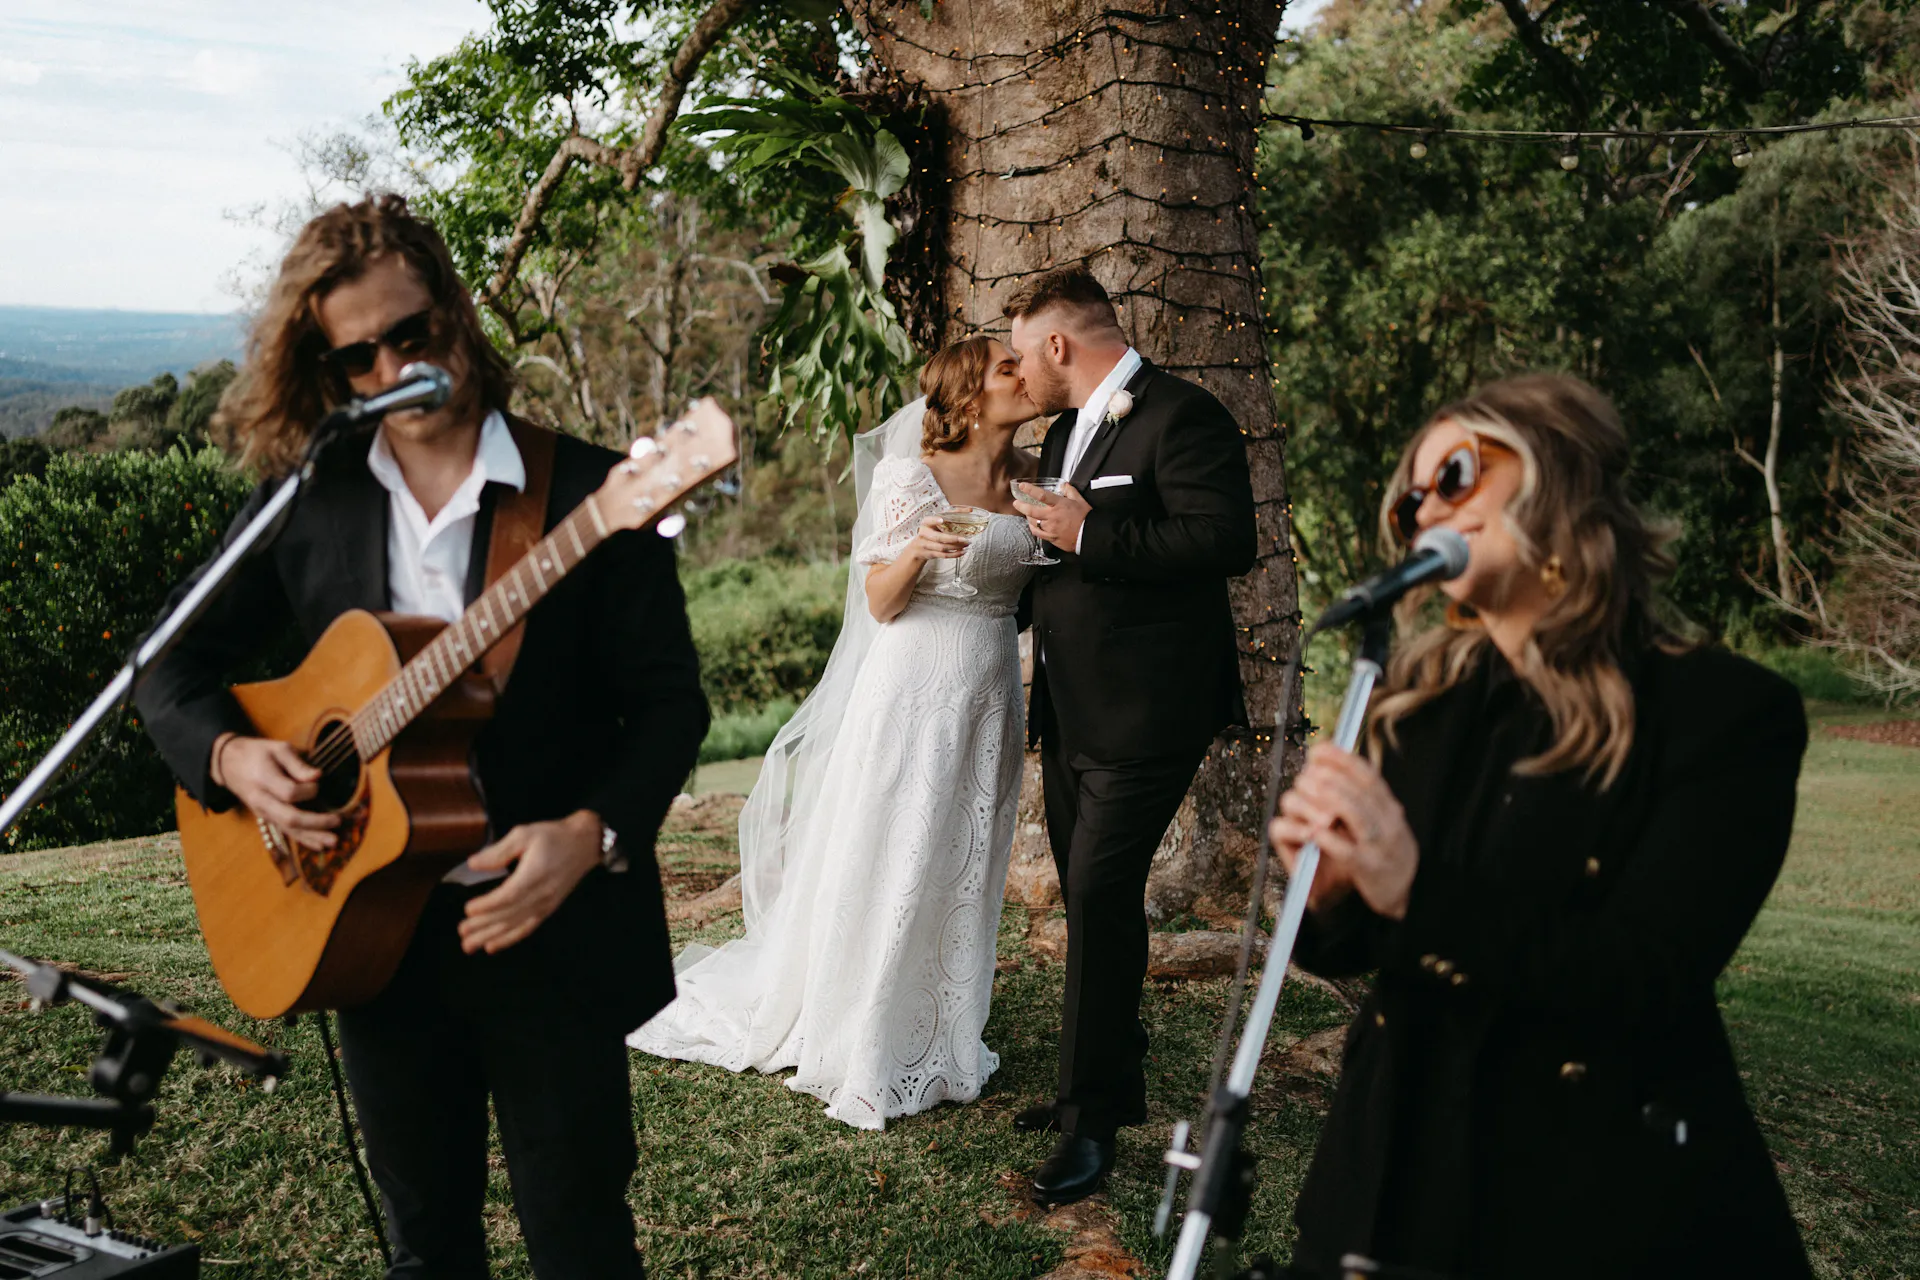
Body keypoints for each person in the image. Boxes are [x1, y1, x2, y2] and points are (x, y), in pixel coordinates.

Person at [135, 195, 707, 1278]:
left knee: (580, 1237)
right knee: (423, 1244)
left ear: (455, 312)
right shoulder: (309, 498)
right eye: (360, 356)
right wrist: (229, 757)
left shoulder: (589, 490)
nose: (394, 366)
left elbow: (673, 702)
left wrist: (594, 831)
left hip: (548, 928)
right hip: (369, 930)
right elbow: (167, 659)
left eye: (414, 332)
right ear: (330, 372)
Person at [1269, 373, 1811, 1279]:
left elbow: (1649, 974)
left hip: (1588, 1189)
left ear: (1555, 471)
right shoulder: (1419, 708)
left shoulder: (1725, 713)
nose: (1424, 509)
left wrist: (1416, 888)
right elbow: (1361, 942)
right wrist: (1325, 900)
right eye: (1409, 502)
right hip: (1393, 1175)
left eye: (1454, 474)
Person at [629, 336, 1044, 1129]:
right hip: (911, 685)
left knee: (964, 853)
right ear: (966, 393)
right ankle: (864, 1033)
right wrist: (919, 550)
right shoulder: (908, 477)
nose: (1023, 376)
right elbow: (881, 602)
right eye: (1005, 368)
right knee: (894, 847)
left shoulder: (1033, 480)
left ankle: (949, 1029)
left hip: (989, 687)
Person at [1006, 266, 1258, 1204]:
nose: (1016, 372)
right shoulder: (1067, 431)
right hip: (1072, 706)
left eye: (1023, 355)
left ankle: (1087, 1125)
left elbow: (1224, 540)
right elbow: (1063, 549)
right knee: (1088, 896)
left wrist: (1088, 537)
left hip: (1150, 710)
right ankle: (1117, 1076)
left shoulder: (1182, 416)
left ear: (1061, 346)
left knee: (1102, 893)